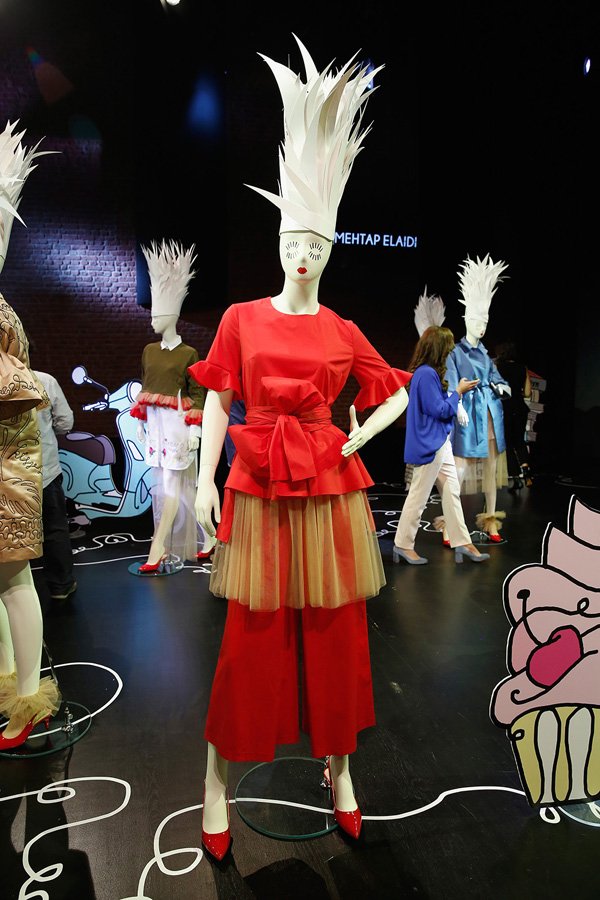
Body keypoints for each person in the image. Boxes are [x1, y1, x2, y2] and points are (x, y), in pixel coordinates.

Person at [189, 36, 411, 860]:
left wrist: (360, 431)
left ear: (331, 247)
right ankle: (215, 780)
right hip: (257, 485)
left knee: (337, 635)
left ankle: (341, 770)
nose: (303, 253)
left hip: (327, 488)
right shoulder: (242, 318)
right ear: (279, 238)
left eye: (317, 242)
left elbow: (396, 390)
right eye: (294, 239)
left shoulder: (344, 329)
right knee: (249, 641)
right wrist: (205, 479)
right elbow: (218, 397)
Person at [0, 121, 61, 750]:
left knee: (14, 580)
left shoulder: (2, 316)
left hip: (8, 468)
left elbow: (17, 391)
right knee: (5, 583)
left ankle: (27, 699)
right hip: (12, 461)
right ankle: (12, 688)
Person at [131, 240, 209, 573]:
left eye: (157, 315)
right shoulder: (149, 350)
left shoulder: (189, 353)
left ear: (172, 316)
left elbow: (198, 391)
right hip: (156, 425)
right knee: (170, 487)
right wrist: (141, 421)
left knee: (172, 487)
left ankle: (157, 548)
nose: (152, 321)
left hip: (178, 423)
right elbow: (146, 385)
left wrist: (195, 430)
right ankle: (212, 536)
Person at [393, 326, 490, 564]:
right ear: (439, 348)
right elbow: (439, 410)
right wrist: (458, 392)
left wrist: (455, 395)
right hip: (431, 443)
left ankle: (462, 542)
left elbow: (437, 406)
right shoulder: (426, 374)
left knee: (451, 492)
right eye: (448, 347)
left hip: (439, 442)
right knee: (419, 496)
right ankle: (403, 545)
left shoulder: (427, 374)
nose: (450, 351)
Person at [445, 254, 510, 543]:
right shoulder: (455, 352)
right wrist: (458, 404)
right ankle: (450, 524)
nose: (482, 327)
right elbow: (451, 384)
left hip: (490, 413)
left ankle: (492, 521)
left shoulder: (484, 353)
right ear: (467, 320)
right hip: (469, 414)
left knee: (492, 471)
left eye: (485, 322)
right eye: (477, 321)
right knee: (459, 471)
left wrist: (503, 387)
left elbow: (497, 377)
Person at [33, 369, 77, 599]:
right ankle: (61, 586)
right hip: (44, 471)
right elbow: (65, 422)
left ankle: (12, 589)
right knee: (54, 528)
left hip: (7, 476)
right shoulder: (44, 380)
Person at [493, 341, 532, 491]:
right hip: (520, 408)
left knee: (508, 444)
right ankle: (526, 472)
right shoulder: (523, 368)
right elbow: (527, 393)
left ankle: (516, 478)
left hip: (505, 409)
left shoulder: (498, 368)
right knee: (519, 441)